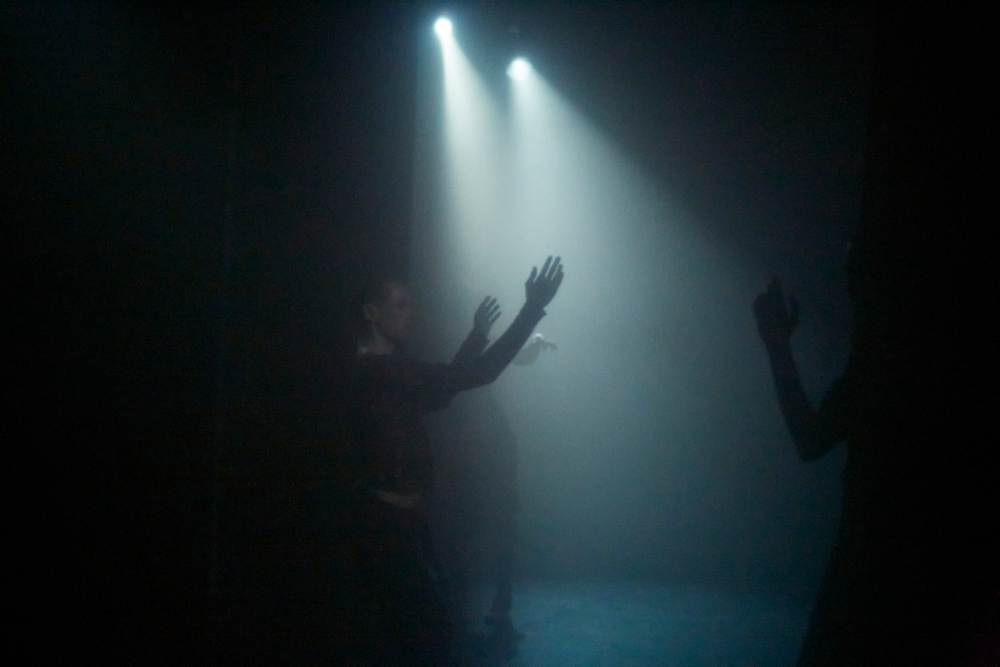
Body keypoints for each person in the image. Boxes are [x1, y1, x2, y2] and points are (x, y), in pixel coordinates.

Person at [346, 256, 564, 666]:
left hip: (401, 526)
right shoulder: (380, 373)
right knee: (418, 638)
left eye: (411, 304)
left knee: (424, 635)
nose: (411, 313)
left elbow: (443, 392)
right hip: (387, 530)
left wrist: (477, 337)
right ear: (371, 314)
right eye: (399, 305)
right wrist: (531, 309)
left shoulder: (385, 373)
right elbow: (476, 376)